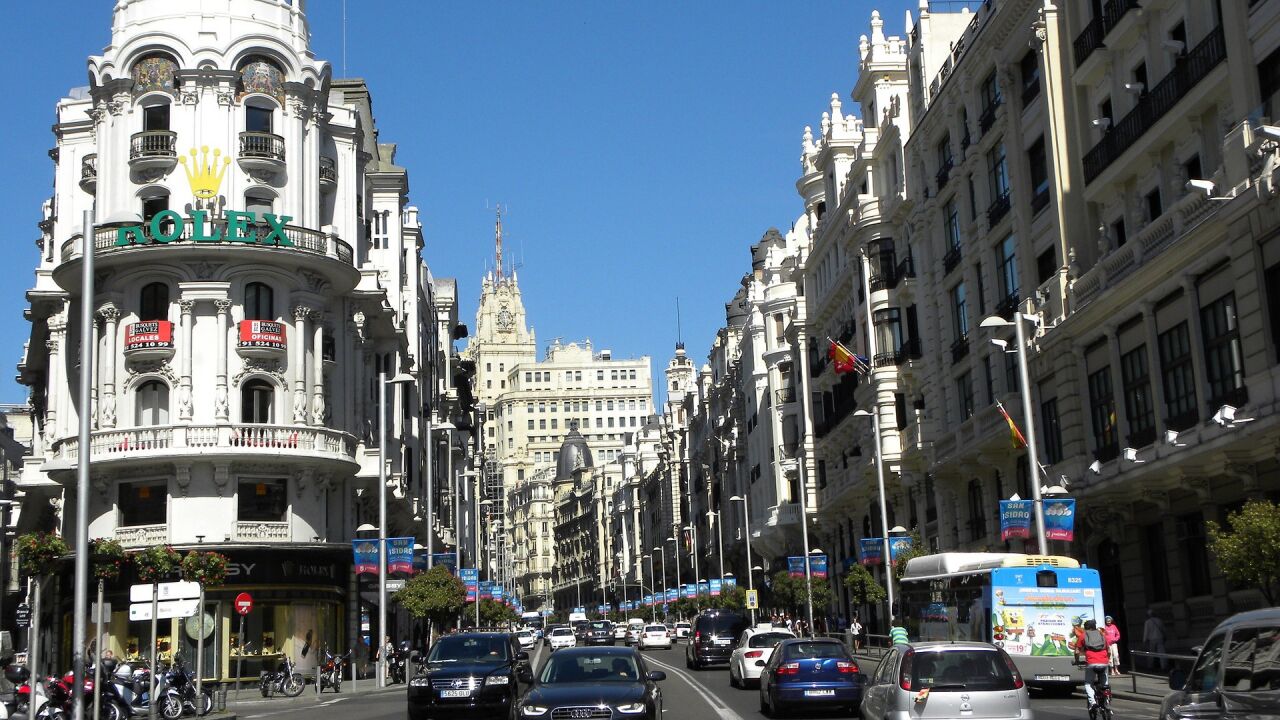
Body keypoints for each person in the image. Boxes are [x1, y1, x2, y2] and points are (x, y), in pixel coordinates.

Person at [1076, 619, 1110, 710]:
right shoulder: (1101, 635)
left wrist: (1077, 661)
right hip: (1104, 662)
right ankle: (1106, 699)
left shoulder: (1083, 635)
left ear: (1086, 628)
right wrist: (1107, 659)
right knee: (1104, 682)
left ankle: (1093, 703)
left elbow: (1077, 651)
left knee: (1088, 683)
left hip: (1091, 663)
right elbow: (1109, 650)